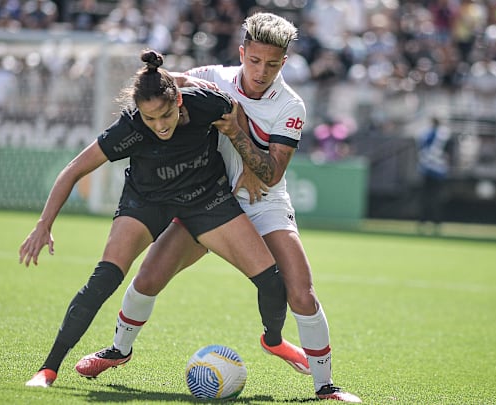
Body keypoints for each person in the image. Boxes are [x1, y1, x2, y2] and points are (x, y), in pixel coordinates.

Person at [77, 13, 362, 403]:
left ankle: (325, 386)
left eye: (273, 64)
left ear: (285, 62)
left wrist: (239, 143)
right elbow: (165, 86)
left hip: (263, 202)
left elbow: (272, 174)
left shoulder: (290, 106)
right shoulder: (214, 75)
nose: (261, 72)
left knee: (301, 293)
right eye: (255, 60)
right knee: (148, 277)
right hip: (206, 197)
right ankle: (118, 350)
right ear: (243, 52)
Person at [21, 50, 289, 390]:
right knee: (104, 278)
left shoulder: (204, 101)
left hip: (205, 198)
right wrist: (44, 224)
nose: (160, 126)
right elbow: (74, 169)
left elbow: (233, 112)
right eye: (150, 120)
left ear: (178, 100)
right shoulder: (129, 127)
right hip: (146, 201)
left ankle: (273, 339)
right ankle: (48, 370)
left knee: (271, 281)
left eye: (166, 115)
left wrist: (250, 165)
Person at [417, 116, 451, 235]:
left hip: (428, 170)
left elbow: (421, 150)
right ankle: (436, 223)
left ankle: (424, 222)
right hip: (439, 171)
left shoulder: (427, 134)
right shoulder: (444, 135)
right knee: (436, 198)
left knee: (427, 198)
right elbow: (448, 154)